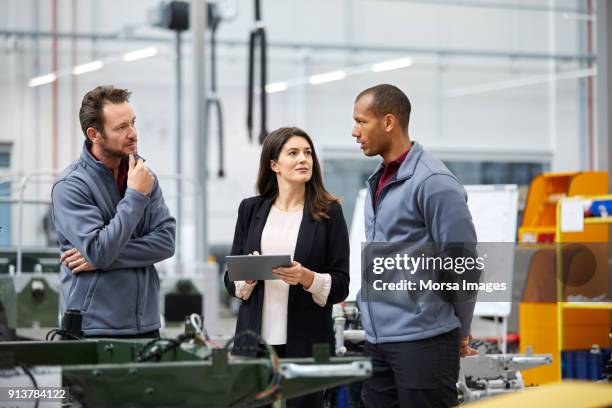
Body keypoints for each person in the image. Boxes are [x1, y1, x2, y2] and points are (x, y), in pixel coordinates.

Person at [353, 84, 478, 407]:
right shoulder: (378, 180)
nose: (355, 132)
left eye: (362, 122)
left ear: (389, 122)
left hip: (424, 341)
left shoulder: (433, 182)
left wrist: (461, 330)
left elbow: (462, 262)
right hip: (379, 340)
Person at [224, 127, 350, 408]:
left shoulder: (329, 212)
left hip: (307, 342)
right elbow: (230, 279)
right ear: (274, 164)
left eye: (307, 153)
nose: (303, 159)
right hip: (255, 342)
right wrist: (249, 277)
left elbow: (341, 284)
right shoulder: (250, 209)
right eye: (293, 153)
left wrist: (306, 278)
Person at [52, 85, 175, 338]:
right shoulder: (71, 185)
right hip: (93, 327)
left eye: (132, 123)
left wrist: (98, 260)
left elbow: (166, 243)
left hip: (147, 325)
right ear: (94, 134)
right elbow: (100, 249)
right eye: (121, 127)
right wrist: (135, 196)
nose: (132, 133)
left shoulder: (142, 175)